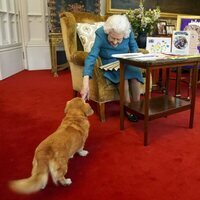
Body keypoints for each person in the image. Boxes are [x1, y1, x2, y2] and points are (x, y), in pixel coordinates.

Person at [80, 14, 144, 122]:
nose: (115, 42)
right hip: (110, 63)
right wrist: (85, 81)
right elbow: (92, 56)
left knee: (135, 75)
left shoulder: (128, 32)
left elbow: (134, 49)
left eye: (119, 39)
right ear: (108, 31)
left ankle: (136, 107)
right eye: (112, 38)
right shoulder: (101, 33)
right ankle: (127, 107)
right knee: (123, 78)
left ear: (124, 35)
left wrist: (136, 63)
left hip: (126, 61)